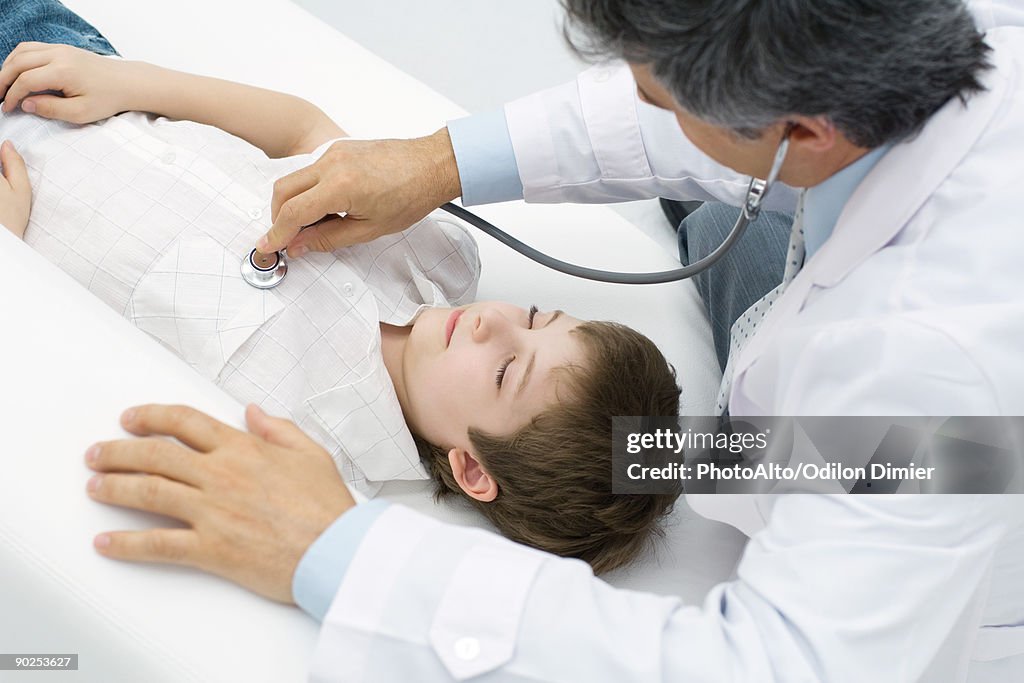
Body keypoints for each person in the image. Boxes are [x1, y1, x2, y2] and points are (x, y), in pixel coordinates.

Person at [5, 1, 1023, 681]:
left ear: (802, 129)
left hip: (960, 506)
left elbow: (780, 660)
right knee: (724, 233)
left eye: (660, 99)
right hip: (81, 101)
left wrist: (340, 550)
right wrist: (440, 161)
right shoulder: (923, 41)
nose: (639, 109)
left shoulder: (925, 353)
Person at [0, 36, 682, 572]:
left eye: (506, 370)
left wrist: (11, 258)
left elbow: (81, 375)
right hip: (63, 73)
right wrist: (127, 79)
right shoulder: (435, 255)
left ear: (473, 467)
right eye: (536, 318)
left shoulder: (310, 444)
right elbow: (301, 129)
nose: (491, 320)